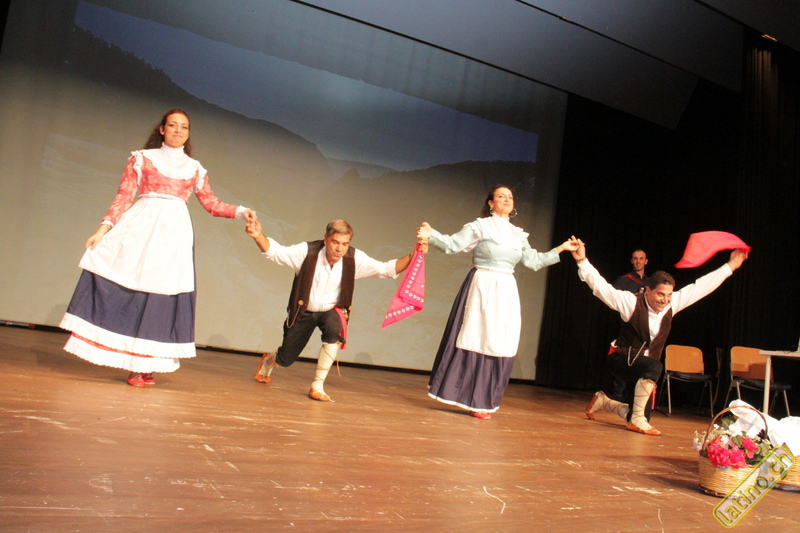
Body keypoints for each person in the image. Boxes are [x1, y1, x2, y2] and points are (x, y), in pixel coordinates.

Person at [60, 108, 255, 387]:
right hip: (142, 228)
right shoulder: (142, 158)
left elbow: (211, 203)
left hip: (174, 236)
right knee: (133, 289)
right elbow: (124, 196)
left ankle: (146, 364)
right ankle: (132, 364)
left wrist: (241, 211)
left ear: (188, 133)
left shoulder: (194, 168)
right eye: (173, 125)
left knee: (161, 297)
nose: (178, 131)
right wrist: (102, 230)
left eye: (184, 127)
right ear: (162, 129)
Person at [416, 185, 579, 420]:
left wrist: (561, 248)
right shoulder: (480, 226)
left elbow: (533, 261)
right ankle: (463, 395)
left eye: (510, 197)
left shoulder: (518, 234)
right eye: (501, 196)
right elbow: (453, 245)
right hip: (483, 284)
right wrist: (431, 235)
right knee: (476, 337)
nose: (507, 199)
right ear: (491, 203)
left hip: (506, 289)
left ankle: (483, 400)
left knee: (500, 341)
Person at [572, 239, 748, 435]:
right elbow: (601, 288)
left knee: (642, 412)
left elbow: (701, 286)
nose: (665, 300)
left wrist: (731, 265)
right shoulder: (631, 303)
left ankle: (606, 403)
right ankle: (636, 419)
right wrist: (582, 261)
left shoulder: (672, 304)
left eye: (668, 295)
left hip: (644, 370)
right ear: (648, 290)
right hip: (621, 360)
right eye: (660, 294)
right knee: (654, 367)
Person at [247, 218, 419, 402]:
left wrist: (415, 254)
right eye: (335, 242)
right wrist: (257, 235)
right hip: (303, 312)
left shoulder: (354, 258)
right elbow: (275, 252)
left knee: (334, 331)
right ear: (326, 239)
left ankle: (317, 385)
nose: (339, 249)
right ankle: (271, 359)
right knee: (286, 358)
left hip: (331, 311)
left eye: (345, 244)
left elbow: (386, 269)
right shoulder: (307, 252)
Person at [609, 249, 650, 400]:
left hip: (644, 326)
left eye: (641, 258)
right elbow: (614, 299)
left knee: (641, 359)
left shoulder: (651, 283)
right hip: (628, 325)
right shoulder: (623, 280)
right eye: (635, 258)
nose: (638, 261)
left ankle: (635, 394)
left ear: (646, 261)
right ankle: (619, 392)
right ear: (632, 261)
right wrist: (633, 298)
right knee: (624, 356)